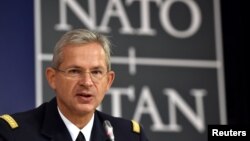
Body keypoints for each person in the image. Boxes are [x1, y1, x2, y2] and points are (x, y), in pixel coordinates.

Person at [0, 29, 149, 141]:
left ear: (108, 81)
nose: (86, 82)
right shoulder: (14, 134)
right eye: (75, 71)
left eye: (96, 72)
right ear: (52, 78)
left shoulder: (130, 136)